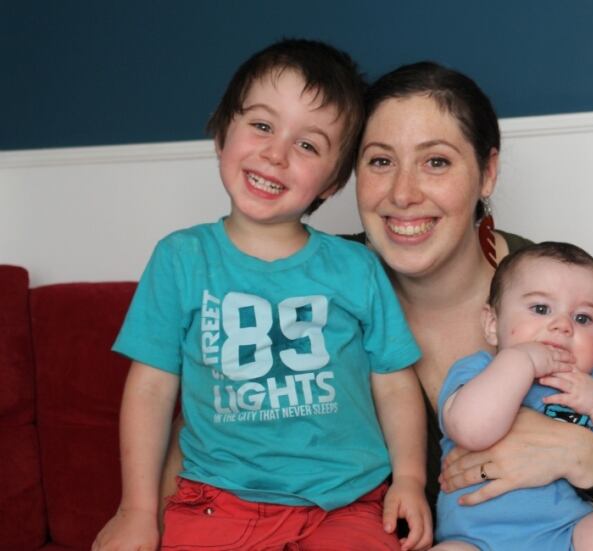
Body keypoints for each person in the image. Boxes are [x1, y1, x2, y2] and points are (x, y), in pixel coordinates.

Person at [161, 61, 593, 547]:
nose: (403, 193)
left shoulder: (567, 296)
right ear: (346, 174)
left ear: (487, 173)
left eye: (436, 161)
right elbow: (207, 433)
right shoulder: (313, 283)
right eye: (380, 161)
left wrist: (580, 457)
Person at [92, 39, 432, 551]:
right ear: (221, 129)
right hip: (217, 502)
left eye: (308, 145)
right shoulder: (181, 258)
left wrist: (408, 479)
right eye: (262, 125)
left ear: (333, 183)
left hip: (346, 504)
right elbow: (150, 391)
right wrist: (137, 510)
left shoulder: (355, 267)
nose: (275, 154)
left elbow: (394, 383)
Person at [433, 242, 593, 550]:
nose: (563, 326)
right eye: (540, 309)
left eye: (583, 318)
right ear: (492, 324)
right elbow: (470, 428)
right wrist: (521, 361)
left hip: (570, 536)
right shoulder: (477, 372)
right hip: (478, 542)